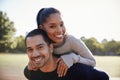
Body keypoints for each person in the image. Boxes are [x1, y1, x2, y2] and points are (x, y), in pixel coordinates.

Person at [24, 7, 109, 80]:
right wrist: (30, 65)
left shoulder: (72, 41)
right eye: (52, 26)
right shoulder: (43, 43)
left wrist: (73, 58)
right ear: (42, 28)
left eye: (61, 24)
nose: (60, 30)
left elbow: (92, 62)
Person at [24, 29, 109, 80]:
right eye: (30, 49)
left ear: (50, 48)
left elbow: (104, 77)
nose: (35, 54)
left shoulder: (76, 70)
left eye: (40, 47)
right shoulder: (31, 73)